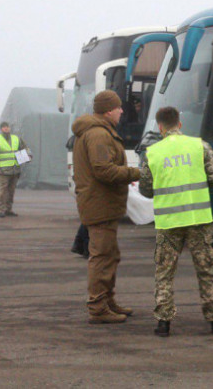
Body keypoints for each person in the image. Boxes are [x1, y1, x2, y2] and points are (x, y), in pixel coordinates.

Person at [139, 106, 213, 337]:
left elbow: (145, 190)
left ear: (160, 127)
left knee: (165, 272)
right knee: (206, 270)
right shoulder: (200, 145)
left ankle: (164, 323)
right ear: (180, 124)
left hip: (168, 221)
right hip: (198, 219)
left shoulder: (153, 152)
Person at [72, 90, 141, 324]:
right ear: (109, 110)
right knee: (101, 257)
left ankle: (107, 301)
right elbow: (103, 169)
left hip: (102, 203)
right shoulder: (98, 135)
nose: (122, 111)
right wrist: (134, 173)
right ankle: (98, 307)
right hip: (99, 204)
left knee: (110, 255)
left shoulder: (98, 132)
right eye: (119, 107)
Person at [0, 121, 29, 218]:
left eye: (7, 126)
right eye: (4, 127)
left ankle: (8, 209)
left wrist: (27, 157)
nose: (6, 128)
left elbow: (24, 148)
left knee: (11, 191)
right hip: (3, 171)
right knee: (3, 191)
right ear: (1, 129)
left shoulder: (16, 139)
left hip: (15, 170)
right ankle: (0, 210)